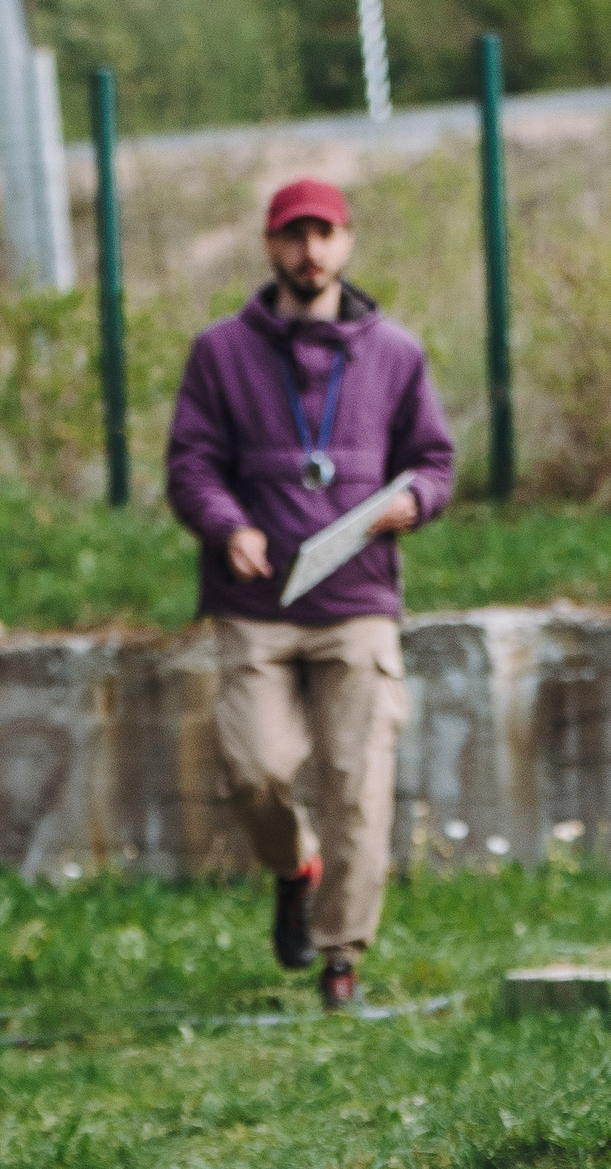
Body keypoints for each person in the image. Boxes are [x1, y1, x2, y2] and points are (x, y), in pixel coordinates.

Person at [165, 178, 456, 1010]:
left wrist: (416, 502)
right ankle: (295, 867)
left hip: (359, 601)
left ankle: (340, 961)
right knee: (255, 772)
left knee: (358, 784)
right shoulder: (220, 352)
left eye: (324, 235)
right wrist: (228, 526)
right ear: (269, 245)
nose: (310, 252)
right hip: (256, 603)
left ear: (347, 242)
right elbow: (191, 464)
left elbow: (434, 462)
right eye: (294, 236)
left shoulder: (395, 353)